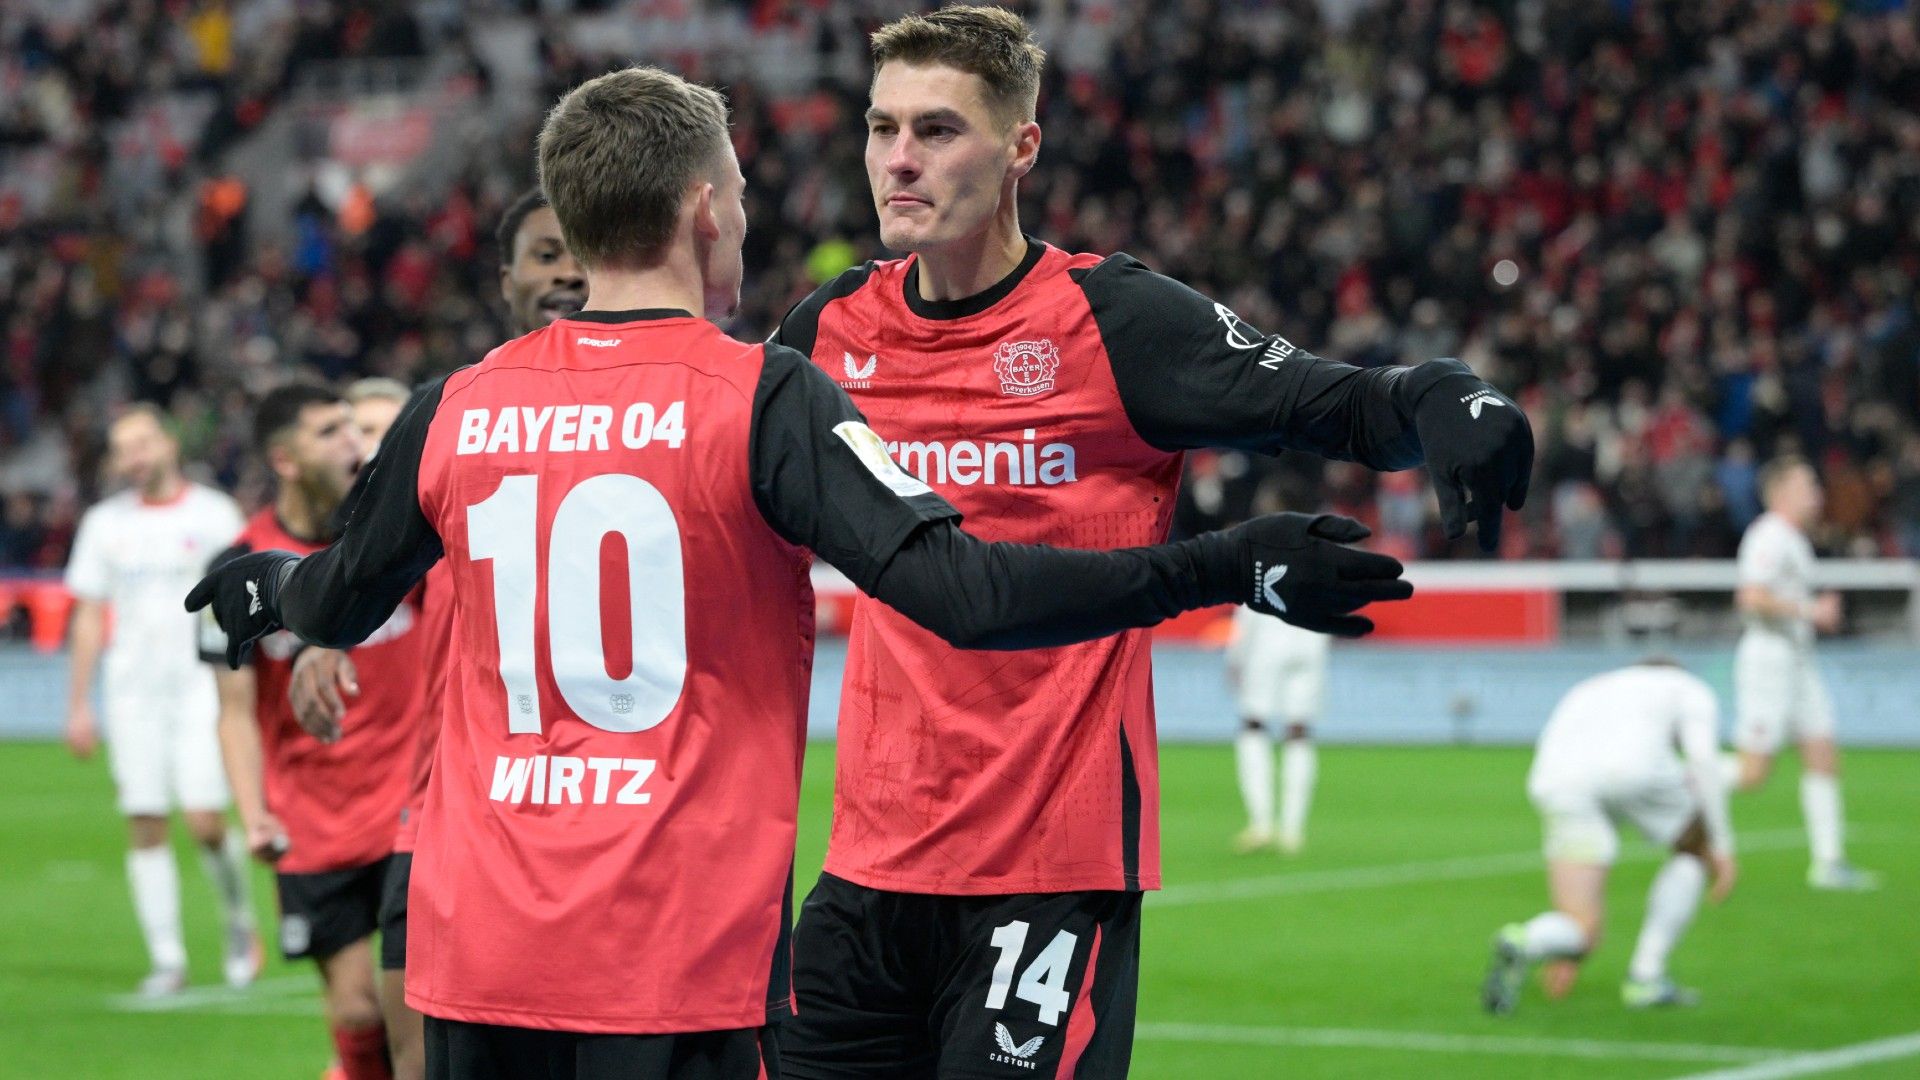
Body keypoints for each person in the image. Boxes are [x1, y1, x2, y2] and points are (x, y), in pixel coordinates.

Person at [187, 65, 1411, 1080]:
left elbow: (332, 596)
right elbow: (967, 594)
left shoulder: (451, 408)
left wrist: (263, 593)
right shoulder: (763, 397)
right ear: (708, 210)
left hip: (477, 958)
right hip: (672, 958)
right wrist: (1223, 565)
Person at [764, 8, 1533, 1074]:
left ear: (1022, 146)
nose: (899, 159)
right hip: (864, 871)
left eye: (937, 130)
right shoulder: (828, 332)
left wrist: (1447, 395)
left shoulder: (1109, 321)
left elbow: (1335, 401)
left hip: (1047, 867)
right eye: (881, 126)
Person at [287, 200, 586, 1080]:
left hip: (610, 809)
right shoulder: (460, 422)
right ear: (506, 283)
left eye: (580, 251)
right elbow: (369, 576)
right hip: (451, 818)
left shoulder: (663, 411)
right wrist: (322, 635)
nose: (565, 272)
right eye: (542, 254)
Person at [205, 384, 426, 1080]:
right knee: (356, 1012)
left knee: (407, 1020)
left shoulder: (397, 537)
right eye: (331, 431)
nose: (353, 444)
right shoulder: (239, 568)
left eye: (354, 429)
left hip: (408, 807)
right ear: (286, 458)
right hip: (315, 817)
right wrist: (254, 812)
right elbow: (234, 708)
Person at [63, 404, 259, 996]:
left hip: (204, 689)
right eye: (124, 448)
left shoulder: (216, 513)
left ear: (169, 444)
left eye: (143, 442)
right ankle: (168, 957)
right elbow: (90, 615)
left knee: (203, 820)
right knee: (145, 820)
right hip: (133, 695)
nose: (135, 456)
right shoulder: (104, 524)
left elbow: (243, 598)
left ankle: (237, 919)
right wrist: (78, 704)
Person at [1482, 659, 1735, 1013]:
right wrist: (1721, 846)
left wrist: (1569, 956)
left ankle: (1529, 940)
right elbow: (1702, 760)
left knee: (1582, 926)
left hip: (1556, 779)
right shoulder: (1689, 688)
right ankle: (1646, 978)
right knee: (1692, 850)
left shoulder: (1594, 686)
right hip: (1634, 770)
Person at [1731, 456, 1875, 891]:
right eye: (1807, 485)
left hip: (1797, 659)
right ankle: (1677, 783)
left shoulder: (1794, 538)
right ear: (1782, 493)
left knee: (1822, 753)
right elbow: (1751, 598)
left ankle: (1828, 863)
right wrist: (1811, 610)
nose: (1816, 493)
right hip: (1769, 660)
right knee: (1754, 772)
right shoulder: (1768, 536)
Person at [1224, 605, 1329, 855]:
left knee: (1253, 726)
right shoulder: (1316, 567)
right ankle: (1292, 830)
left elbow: (1248, 614)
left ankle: (1261, 823)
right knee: (1299, 733)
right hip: (1310, 646)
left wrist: (1235, 659)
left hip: (1267, 646)